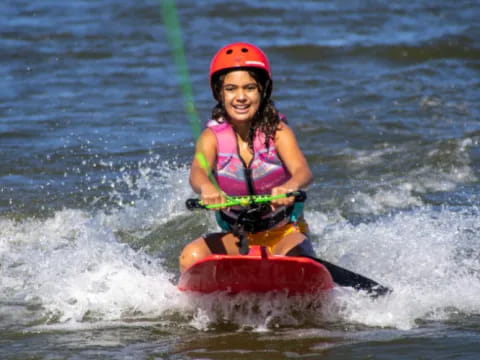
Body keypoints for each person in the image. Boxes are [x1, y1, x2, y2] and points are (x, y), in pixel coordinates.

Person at [179, 42, 315, 272]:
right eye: (231, 89)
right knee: (189, 257)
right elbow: (197, 172)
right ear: (219, 93)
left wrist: (289, 187)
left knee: (294, 260)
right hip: (237, 237)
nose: (240, 97)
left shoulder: (279, 132)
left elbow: (304, 172)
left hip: (283, 234)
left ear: (263, 91)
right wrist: (207, 189)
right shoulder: (210, 138)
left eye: (249, 88)